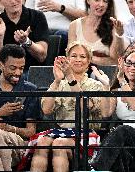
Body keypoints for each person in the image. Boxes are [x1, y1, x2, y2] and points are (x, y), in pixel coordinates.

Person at [30, 41, 110, 172]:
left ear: (89, 62)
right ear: (67, 59)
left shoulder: (95, 85)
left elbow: (85, 108)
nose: (78, 59)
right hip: (62, 133)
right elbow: (46, 110)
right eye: (74, 56)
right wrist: (56, 81)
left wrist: (70, 77)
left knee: (59, 143)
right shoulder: (59, 84)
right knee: (43, 141)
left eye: (83, 57)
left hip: (86, 134)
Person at [90, 48, 135, 171]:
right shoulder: (116, 92)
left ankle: (96, 169)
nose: (131, 67)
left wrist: (122, 80)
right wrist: (106, 86)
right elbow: (106, 113)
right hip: (128, 143)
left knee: (122, 130)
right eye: (128, 63)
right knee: (120, 152)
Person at [0, 44, 40, 171]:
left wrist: (7, 128)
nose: (18, 73)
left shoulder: (30, 90)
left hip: (18, 144)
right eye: (13, 68)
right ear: (1, 65)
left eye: (21, 68)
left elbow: (30, 132)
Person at [25, 0, 90, 55]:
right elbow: (28, 12)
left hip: (66, 34)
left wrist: (61, 8)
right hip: (40, 33)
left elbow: (85, 16)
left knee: (60, 36)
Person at [0, 0, 49, 72]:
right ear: (0, 1)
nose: (13, 1)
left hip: (32, 72)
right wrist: (0, 35)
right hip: (5, 74)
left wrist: (26, 41)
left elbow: (42, 55)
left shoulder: (37, 16)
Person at [68, 0, 124, 66]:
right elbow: (71, 56)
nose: (101, 4)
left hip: (105, 73)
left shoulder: (113, 26)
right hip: (79, 72)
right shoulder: (74, 25)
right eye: (97, 0)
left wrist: (119, 35)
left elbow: (115, 60)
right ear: (88, 0)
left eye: (105, 1)